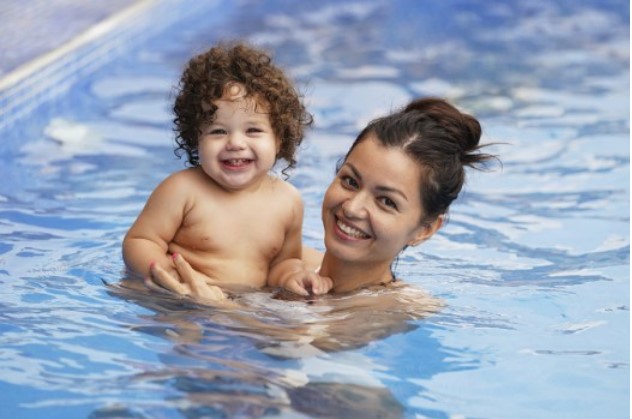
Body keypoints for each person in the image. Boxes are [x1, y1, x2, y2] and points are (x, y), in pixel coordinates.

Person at [148, 96, 495, 305]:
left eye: (386, 202)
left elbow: (312, 353)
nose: (352, 208)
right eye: (349, 181)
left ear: (425, 229)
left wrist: (218, 312)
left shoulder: (397, 309)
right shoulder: (282, 258)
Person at [122, 42, 313, 299]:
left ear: (279, 139)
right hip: (180, 301)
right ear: (196, 138)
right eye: (218, 131)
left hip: (243, 305)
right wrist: (170, 277)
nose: (235, 143)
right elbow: (140, 242)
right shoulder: (182, 190)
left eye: (253, 130)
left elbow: (284, 262)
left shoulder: (288, 201)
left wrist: (292, 277)